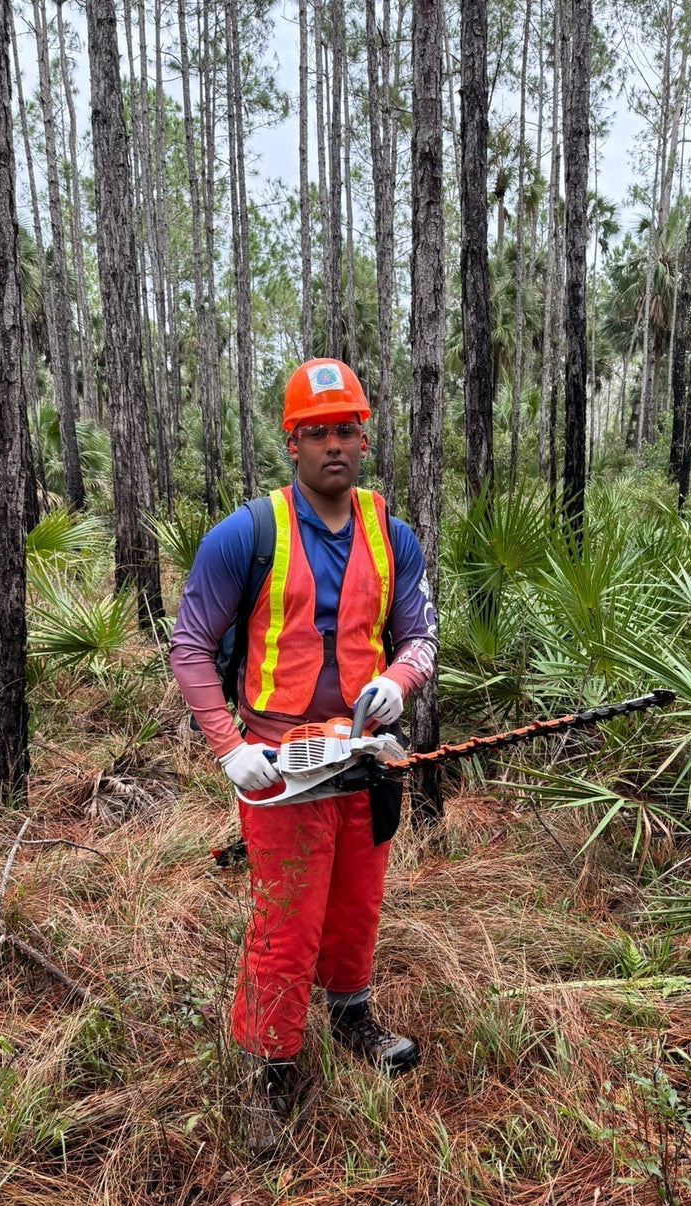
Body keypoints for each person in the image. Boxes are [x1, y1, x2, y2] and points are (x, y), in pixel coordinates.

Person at [170, 359, 438, 1149]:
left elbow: (420, 637)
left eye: (346, 428)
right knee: (285, 923)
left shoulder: (395, 538)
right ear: (291, 442)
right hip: (279, 767)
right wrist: (229, 749)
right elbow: (189, 647)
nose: (333, 443)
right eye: (315, 431)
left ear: (365, 435)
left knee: (357, 904)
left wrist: (398, 679)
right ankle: (270, 1071)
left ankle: (353, 1017)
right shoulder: (246, 534)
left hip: (366, 756)